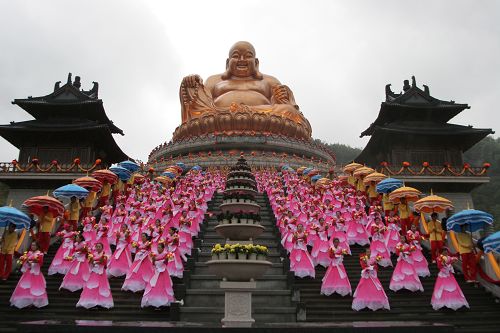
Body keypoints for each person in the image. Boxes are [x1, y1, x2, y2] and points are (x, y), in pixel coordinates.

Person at [10, 241, 48, 308]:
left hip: (36, 273)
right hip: (28, 272)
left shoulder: (40, 254)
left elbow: (40, 263)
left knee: (35, 287)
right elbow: (25, 262)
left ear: (37, 246)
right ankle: (27, 301)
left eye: (34, 245)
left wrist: (32, 262)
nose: (32, 247)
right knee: (26, 287)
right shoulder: (29, 253)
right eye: (32, 245)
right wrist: (26, 261)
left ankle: (33, 301)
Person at [77, 242, 113, 308]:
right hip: (94, 271)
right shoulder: (93, 254)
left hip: (101, 272)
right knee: (91, 286)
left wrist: (96, 260)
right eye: (97, 246)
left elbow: (104, 263)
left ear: (102, 248)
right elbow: (90, 263)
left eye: (99, 246)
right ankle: (90, 300)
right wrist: (91, 261)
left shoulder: (105, 255)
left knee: (101, 286)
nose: (98, 248)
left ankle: (101, 302)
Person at [141, 242, 175, 308]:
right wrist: (153, 259)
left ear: (163, 248)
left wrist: (166, 259)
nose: (158, 249)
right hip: (155, 271)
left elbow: (166, 262)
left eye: (159, 247)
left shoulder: (166, 254)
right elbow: (153, 264)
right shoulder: (154, 254)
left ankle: (163, 302)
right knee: (153, 286)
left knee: (163, 287)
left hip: (163, 272)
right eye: (157, 247)